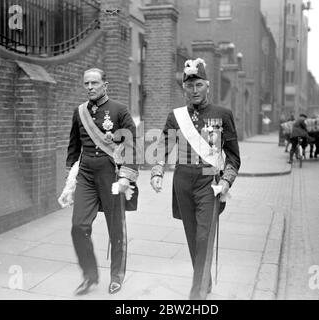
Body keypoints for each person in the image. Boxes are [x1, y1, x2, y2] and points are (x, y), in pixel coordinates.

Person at [150, 58, 241, 300]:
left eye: (199, 85)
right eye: (189, 86)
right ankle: (204, 280)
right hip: (182, 180)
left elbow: (233, 157)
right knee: (193, 236)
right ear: (184, 89)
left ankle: (197, 291)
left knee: (204, 236)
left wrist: (226, 181)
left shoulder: (222, 114)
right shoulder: (176, 116)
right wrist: (157, 171)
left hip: (209, 182)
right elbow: (163, 145)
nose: (194, 90)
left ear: (207, 86)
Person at [60, 68, 138, 296]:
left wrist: (126, 174)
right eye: (87, 83)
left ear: (106, 84)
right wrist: (69, 178)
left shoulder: (119, 110)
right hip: (85, 175)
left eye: (95, 83)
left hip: (110, 174)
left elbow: (132, 143)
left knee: (116, 228)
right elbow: (74, 145)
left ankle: (116, 276)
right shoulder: (80, 111)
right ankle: (90, 275)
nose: (90, 87)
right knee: (78, 226)